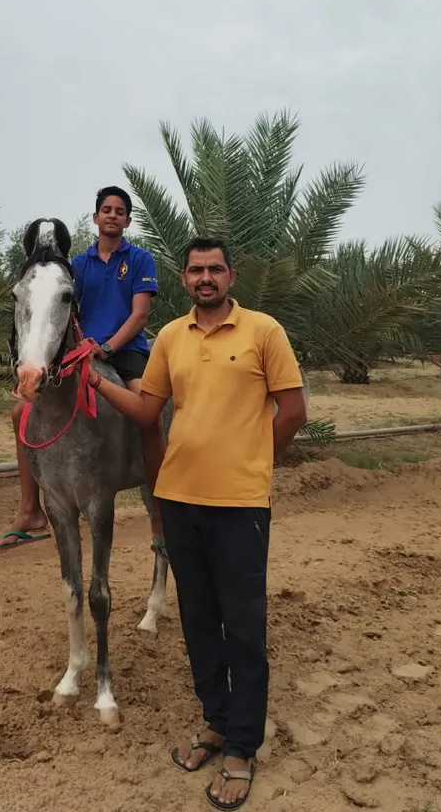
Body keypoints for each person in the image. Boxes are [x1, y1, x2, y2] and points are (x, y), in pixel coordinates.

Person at [84, 236, 307, 810]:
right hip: (179, 501)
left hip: (239, 505)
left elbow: (293, 411)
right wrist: (99, 382)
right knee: (198, 619)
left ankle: (240, 747)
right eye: (194, 270)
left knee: (244, 626)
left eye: (214, 269)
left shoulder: (264, 331)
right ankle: (215, 720)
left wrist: (251, 461)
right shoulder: (171, 340)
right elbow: (146, 410)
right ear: (182, 280)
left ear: (231, 276)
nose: (204, 278)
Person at [0, 185, 166, 549]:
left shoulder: (139, 260)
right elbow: (62, 310)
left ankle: (162, 500)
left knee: (146, 412)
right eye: (107, 209)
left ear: (128, 220)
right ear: (96, 217)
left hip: (125, 350)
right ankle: (29, 508)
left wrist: (107, 346)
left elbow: (139, 315)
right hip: (82, 352)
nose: (113, 215)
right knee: (19, 413)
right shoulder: (79, 265)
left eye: (120, 210)